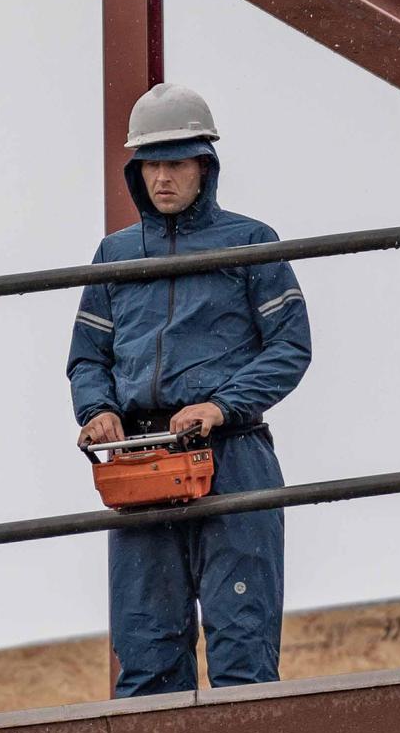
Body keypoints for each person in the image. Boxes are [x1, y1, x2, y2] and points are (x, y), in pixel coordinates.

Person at [67, 84, 313, 695]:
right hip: (142, 459)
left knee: (242, 649)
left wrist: (222, 405)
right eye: (152, 164)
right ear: (136, 171)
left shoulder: (252, 242)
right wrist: (97, 410)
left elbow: (291, 346)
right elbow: (86, 357)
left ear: (205, 167)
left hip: (232, 455)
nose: (164, 178)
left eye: (177, 163)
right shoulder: (115, 255)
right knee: (146, 655)